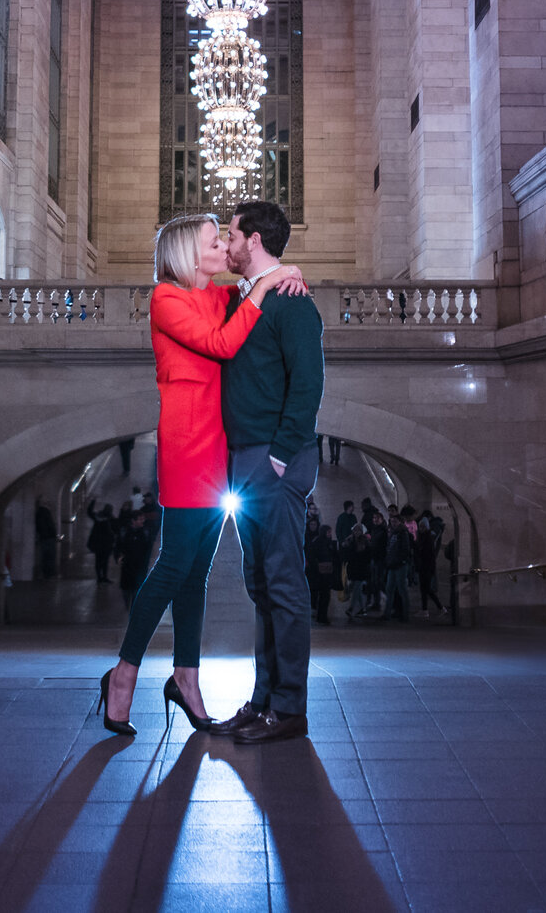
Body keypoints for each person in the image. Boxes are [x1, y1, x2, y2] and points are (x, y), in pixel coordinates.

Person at [94, 212, 306, 737]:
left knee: (196, 574)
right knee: (172, 567)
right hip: (188, 447)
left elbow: (251, 294)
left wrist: (285, 271)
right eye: (214, 243)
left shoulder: (219, 296)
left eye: (223, 241)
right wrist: (273, 282)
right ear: (190, 254)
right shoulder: (166, 299)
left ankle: (186, 678)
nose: (222, 250)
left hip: (220, 450)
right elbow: (222, 345)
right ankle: (122, 675)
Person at [205, 200, 327, 745]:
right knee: (259, 583)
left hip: (275, 461)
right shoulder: (246, 298)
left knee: (283, 583)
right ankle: (263, 700)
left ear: (252, 240)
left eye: (230, 235)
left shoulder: (293, 305)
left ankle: (290, 708)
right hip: (244, 460)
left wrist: (279, 455)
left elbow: (308, 386)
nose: (227, 245)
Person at [304, 512, 339, 626]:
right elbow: (312, 556)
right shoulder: (318, 543)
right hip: (320, 575)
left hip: (326, 574)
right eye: (328, 532)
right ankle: (321, 616)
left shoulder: (328, 543)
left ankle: (322, 616)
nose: (330, 534)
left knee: (325, 596)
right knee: (323, 596)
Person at [86, 504, 114, 583]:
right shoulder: (110, 518)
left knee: (98, 561)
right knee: (105, 561)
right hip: (106, 544)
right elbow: (114, 530)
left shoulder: (97, 517)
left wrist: (92, 502)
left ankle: (99, 577)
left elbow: (89, 512)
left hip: (98, 543)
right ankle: (104, 577)